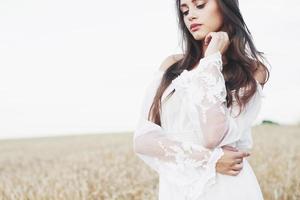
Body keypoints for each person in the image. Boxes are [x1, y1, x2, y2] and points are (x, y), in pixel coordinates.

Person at [133, 0, 270, 199]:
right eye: (185, 10)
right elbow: (142, 140)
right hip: (178, 188)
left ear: (225, 6)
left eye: (200, 5)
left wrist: (211, 59)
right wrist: (210, 160)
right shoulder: (172, 66)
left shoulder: (253, 71)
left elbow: (213, 135)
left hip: (227, 187)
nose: (190, 16)